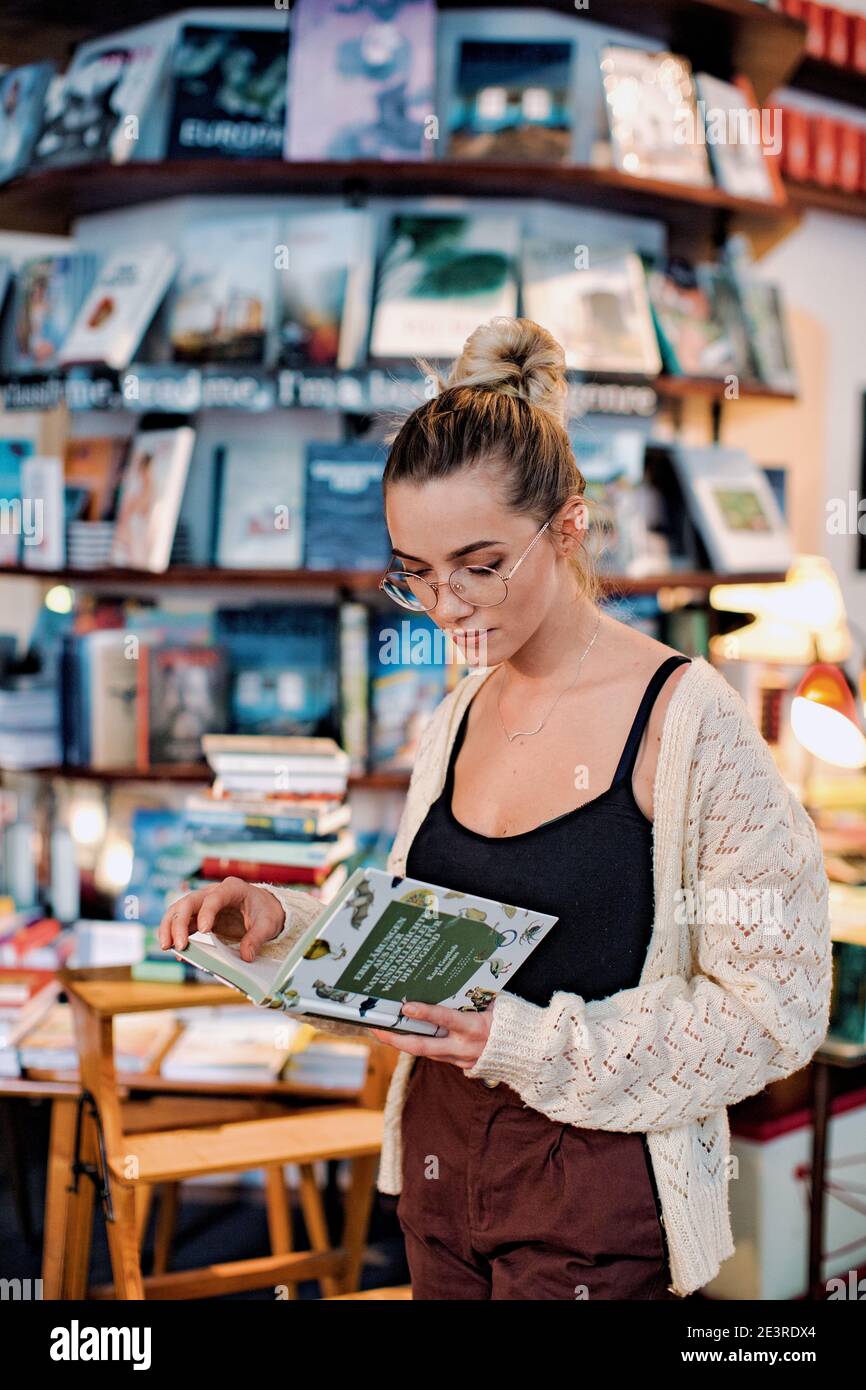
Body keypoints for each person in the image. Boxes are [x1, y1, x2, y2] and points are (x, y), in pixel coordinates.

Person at [159, 317, 833, 1301]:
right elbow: (417, 953)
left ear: (566, 524)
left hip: (591, 1204)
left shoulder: (688, 723)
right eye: (416, 572)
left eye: (478, 564)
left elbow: (774, 1014)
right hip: (437, 1181)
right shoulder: (458, 710)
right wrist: (280, 928)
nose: (445, 605)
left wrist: (528, 1044)